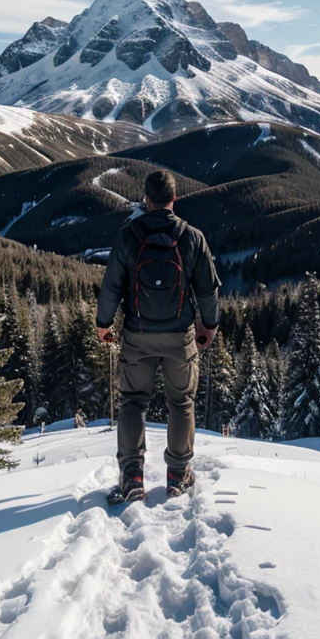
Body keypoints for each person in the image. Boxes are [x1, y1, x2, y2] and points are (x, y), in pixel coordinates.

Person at [96, 169, 220, 501]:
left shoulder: (128, 235)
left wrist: (103, 324)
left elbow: (112, 286)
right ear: (174, 199)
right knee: (181, 403)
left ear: (146, 200)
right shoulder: (192, 237)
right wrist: (209, 326)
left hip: (137, 335)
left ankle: (132, 477)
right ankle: (178, 477)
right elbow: (207, 291)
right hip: (180, 336)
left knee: (133, 402)